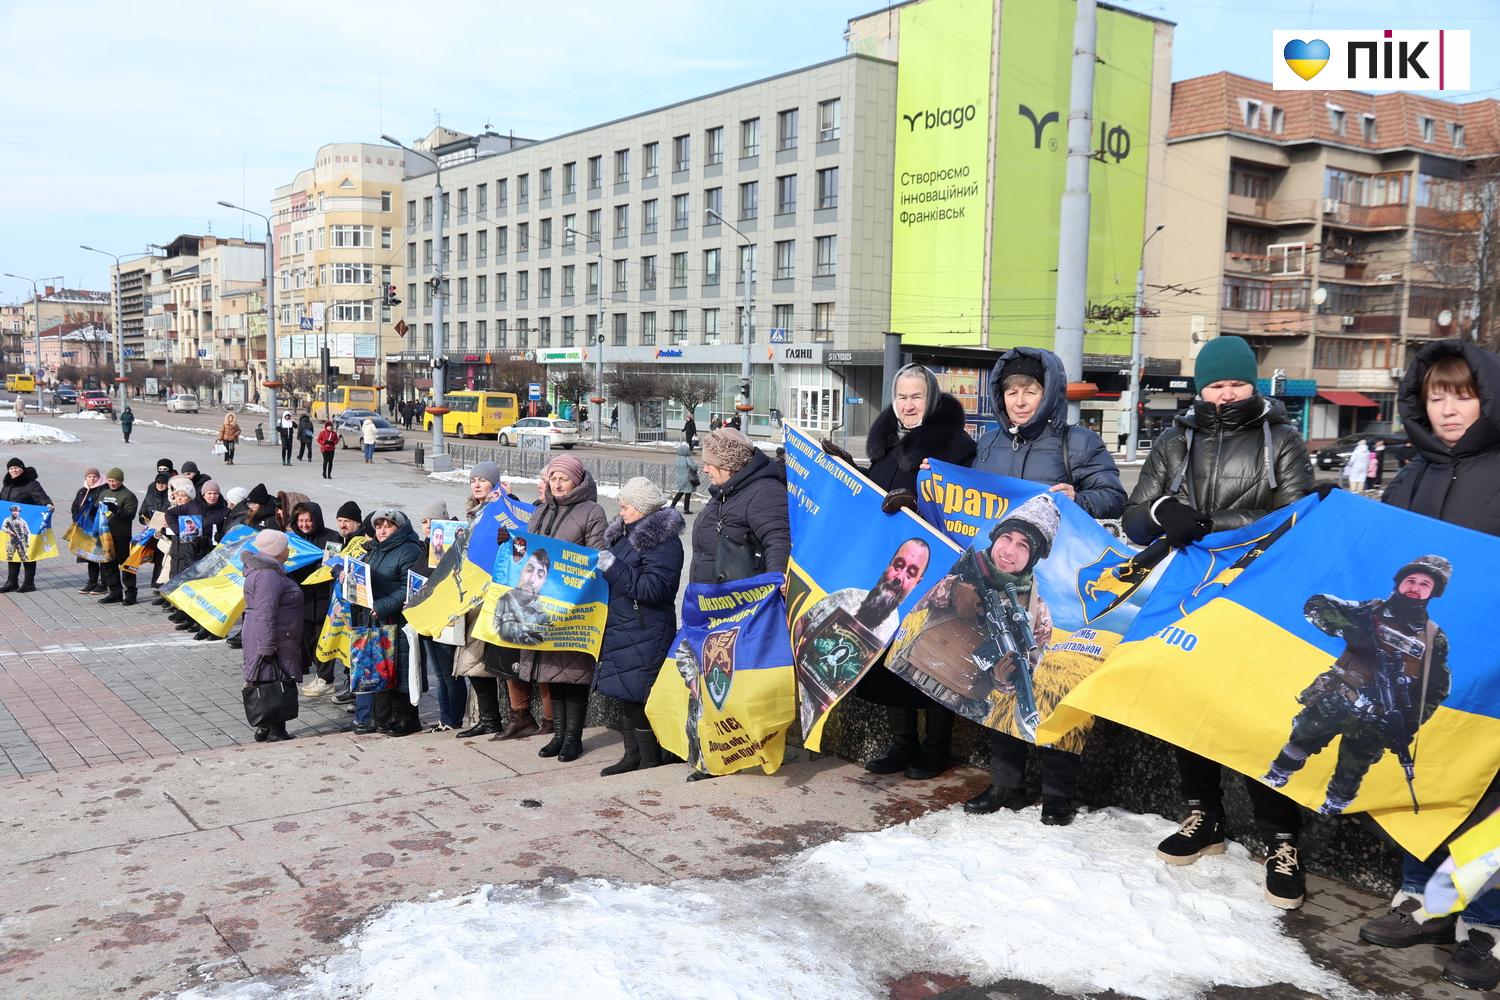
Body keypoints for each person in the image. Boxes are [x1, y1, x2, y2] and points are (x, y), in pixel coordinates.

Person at [1123, 334, 1315, 910]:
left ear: (1252, 385)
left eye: (1236, 383)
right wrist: (1163, 512)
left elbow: (1299, 516)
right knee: (1192, 709)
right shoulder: (1173, 441)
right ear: (1200, 387)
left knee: (1259, 715)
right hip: (1191, 596)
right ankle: (1202, 814)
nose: (1226, 394)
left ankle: (1281, 839)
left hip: (1260, 596)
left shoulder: (1281, 439)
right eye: (1216, 384)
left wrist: (1207, 523)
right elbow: (1135, 515)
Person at [1358, 340, 1500, 992]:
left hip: (1493, 672)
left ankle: (1487, 926)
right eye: (1437, 395)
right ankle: (1422, 897)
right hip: (1419, 674)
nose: (1447, 408)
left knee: (1487, 797)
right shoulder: (1407, 478)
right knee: (1414, 778)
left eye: (1462, 394)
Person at [953, 348, 1125, 822]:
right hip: (1000, 579)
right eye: (1012, 391)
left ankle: (1058, 792)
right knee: (1002, 675)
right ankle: (1006, 784)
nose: (1021, 400)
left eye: (1030, 390)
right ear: (1000, 396)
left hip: (1061, 586)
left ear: (1048, 393)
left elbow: (1114, 496)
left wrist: (1080, 497)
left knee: (1056, 683)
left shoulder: (1077, 441)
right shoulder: (987, 444)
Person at [820, 363, 978, 783]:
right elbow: (876, 501)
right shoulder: (888, 444)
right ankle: (902, 741)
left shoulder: (956, 445)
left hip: (937, 566)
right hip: (893, 567)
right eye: (902, 397)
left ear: (932, 400)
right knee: (889, 653)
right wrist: (846, 471)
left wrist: (916, 507)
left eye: (916, 397)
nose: (907, 405)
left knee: (932, 656)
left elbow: (960, 506)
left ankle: (937, 747)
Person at [1262, 557, 1451, 814]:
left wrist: (1409, 722)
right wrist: (1354, 630)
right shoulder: (1369, 610)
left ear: (1433, 592)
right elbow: (1316, 605)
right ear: (1399, 583)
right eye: (1411, 580)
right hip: (1336, 699)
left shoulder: (1433, 638)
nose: (1415, 587)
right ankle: (1276, 777)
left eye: (1425, 584)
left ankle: (1333, 809)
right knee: (1300, 741)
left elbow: (1436, 688)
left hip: (1377, 719)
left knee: (1351, 772)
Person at [595, 478, 686, 775]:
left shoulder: (662, 541)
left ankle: (649, 759)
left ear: (642, 509)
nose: (620, 513)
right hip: (624, 625)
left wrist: (614, 569)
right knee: (626, 694)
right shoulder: (624, 533)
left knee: (640, 696)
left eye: (625, 507)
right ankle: (632, 755)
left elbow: (653, 589)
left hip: (646, 628)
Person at [520, 455, 608, 762]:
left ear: (577, 481)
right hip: (541, 605)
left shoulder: (592, 511)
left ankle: (574, 738)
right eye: (553, 477)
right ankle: (558, 734)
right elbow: (530, 551)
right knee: (551, 672)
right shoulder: (541, 509)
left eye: (563, 478)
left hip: (573, 604)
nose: (557, 484)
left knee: (573, 673)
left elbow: (597, 555)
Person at [348, 509, 425, 736]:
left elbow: (408, 588)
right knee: (384, 670)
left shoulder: (408, 550)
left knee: (402, 671)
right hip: (377, 622)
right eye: (379, 526)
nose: (382, 530)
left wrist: (382, 606)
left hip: (397, 620)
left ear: (398, 528)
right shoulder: (375, 549)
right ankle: (391, 716)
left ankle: (409, 719)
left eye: (388, 525)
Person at [689, 427, 791, 585]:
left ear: (729, 465)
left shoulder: (765, 492)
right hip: (713, 599)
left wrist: (775, 583)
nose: (705, 470)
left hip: (741, 602)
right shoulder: (724, 491)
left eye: (709, 464)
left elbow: (779, 541)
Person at [240, 529, 304, 743]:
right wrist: (267, 646)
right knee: (274, 680)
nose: (288, 550)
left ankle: (264, 727)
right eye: (285, 546)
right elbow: (265, 612)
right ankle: (276, 730)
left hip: (269, 634)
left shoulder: (267, 570)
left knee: (266, 679)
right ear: (276, 551)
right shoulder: (268, 575)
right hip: (271, 636)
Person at [415, 500, 466, 731]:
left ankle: (453, 719)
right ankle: (445, 718)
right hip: (427, 618)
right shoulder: (426, 547)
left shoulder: (455, 542)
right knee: (440, 673)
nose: (427, 526)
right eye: (424, 522)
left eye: (431, 521)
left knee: (450, 674)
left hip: (446, 617)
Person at [288, 501, 340, 698]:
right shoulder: (293, 540)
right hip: (302, 598)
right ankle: (320, 674)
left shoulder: (331, 537)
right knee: (308, 639)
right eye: (301, 520)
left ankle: (327, 679)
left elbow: (332, 565)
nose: (305, 524)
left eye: (309, 520)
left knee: (323, 639)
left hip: (323, 597)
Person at [1, 458, 51, 593]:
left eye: (16, 468)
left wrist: (47, 504)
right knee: (11, 553)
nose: (14, 470)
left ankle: (29, 583)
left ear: (22, 468)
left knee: (26, 554)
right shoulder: (7, 485)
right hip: (10, 527)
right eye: (11, 468)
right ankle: (12, 582)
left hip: (27, 525)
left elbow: (41, 497)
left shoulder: (31, 484)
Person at [95, 468, 139, 607]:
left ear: (121, 481)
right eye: (110, 480)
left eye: (115, 481)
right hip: (105, 535)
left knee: (126, 565)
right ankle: (115, 593)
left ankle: (131, 594)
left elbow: (130, 515)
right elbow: (97, 512)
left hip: (121, 536)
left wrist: (115, 509)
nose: (112, 483)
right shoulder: (103, 493)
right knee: (108, 565)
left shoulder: (128, 496)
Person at [72, 468, 106, 595]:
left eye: (94, 477)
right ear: (86, 478)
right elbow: (75, 507)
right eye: (89, 477)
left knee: (101, 557)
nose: (92, 479)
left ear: (99, 478)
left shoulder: (103, 490)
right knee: (90, 558)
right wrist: (76, 520)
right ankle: (92, 582)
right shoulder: (82, 492)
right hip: (85, 530)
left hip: (98, 529)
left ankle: (104, 584)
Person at [669, 442, 699, 514]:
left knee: (680, 492)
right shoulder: (687, 458)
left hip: (680, 478)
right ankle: (686, 509)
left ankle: (672, 506)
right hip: (688, 478)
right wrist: (696, 466)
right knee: (688, 494)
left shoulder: (678, 459)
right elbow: (694, 467)